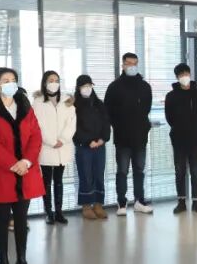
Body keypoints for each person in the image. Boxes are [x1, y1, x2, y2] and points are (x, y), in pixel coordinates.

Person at [0, 68, 42, 264]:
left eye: (13, 80)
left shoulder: (25, 105)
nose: (10, 83)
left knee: (22, 219)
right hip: (2, 171)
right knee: (3, 218)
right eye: (5, 80)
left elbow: (36, 136)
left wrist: (26, 162)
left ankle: (21, 262)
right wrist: (13, 164)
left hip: (26, 170)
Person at [105, 53, 154, 216]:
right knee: (122, 171)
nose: (132, 66)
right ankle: (121, 203)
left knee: (139, 170)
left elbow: (146, 108)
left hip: (140, 137)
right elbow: (108, 111)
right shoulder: (114, 87)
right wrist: (119, 126)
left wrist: (143, 127)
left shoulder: (145, 86)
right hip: (122, 138)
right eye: (128, 63)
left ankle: (139, 201)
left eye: (135, 63)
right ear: (123, 65)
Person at [165, 64, 197, 214]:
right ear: (177, 77)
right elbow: (169, 118)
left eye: (186, 73)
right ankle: (181, 202)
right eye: (181, 74)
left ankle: (196, 202)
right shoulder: (171, 96)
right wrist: (179, 128)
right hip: (178, 139)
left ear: (190, 74)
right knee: (180, 171)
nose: (184, 76)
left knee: (195, 170)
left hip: (196, 139)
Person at [33, 70, 76, 225]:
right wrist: (51, 141)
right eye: (50, 80)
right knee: (46, 181)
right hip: (47, 147)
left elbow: (72, 122)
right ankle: (48, 212)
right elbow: (37, 124)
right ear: (45, 82)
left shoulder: (67, 101)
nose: (54, 83)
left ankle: (59, 212)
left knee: (58, 181)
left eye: (56, 80)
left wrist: (62, 139)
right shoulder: (38, 102)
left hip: (63, 147)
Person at [72, 74, 111, 221]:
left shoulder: (99, 104)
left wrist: (102, 139)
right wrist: (88, 141)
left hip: (99, 146)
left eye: (89, 85)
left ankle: (98, 205)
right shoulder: (74, 106)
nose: (87, 88)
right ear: (78, 88)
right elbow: (74, 128)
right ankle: (86, 206)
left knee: (99, 175)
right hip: (84, 147)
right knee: (86, 176)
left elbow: (106, 123)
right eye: (84, 86)